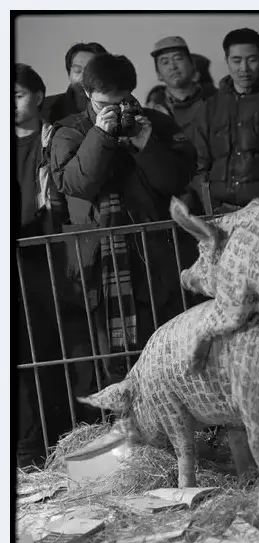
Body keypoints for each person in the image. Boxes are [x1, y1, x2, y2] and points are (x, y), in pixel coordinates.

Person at [50, 53, 197, 393]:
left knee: (168, 354)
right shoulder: (70, 132)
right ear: (87, 93)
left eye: (123, 102)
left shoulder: (155, 123)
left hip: (155, 259)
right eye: (105, 104)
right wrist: (100, 135)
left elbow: (175, 180)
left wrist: (146, 145)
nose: (115, 111)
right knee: (112, 369)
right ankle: (125, 437)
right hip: (99, 269)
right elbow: (77, 186)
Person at [15, 64, 72, 468]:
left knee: (52, 348)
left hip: (47, 252)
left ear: (37, 95)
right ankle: (27, 449)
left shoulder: (55, 137)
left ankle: (62, 440)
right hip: (15, 256)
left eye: (16, 93)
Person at [191, 28, 259, 214]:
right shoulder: (210, 107)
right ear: (227, 60)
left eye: (251, 60)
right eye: (236, 60)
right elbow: (200, 165)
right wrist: (211, 207)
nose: (244, 69)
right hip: (223, 211)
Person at [146, 37, 217, 215]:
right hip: (175, 197)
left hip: (214, 189)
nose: (173, 66)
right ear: (158, 74)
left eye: (178, 58)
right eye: (164, 62)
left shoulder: (216, 101)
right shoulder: (152, 113)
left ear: (192, 64)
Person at [42, 42, 108, 124]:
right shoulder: (48, 107)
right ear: (69, 73)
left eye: (90, 71)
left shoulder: (119, 106)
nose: (84, 77)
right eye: (77, 70)